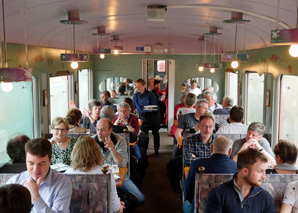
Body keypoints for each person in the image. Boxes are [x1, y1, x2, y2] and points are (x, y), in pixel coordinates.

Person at [7, 138, 72, 212]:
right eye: (31, 163)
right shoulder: (15, 181)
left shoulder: (63, 183)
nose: (35, 170)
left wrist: (35, 197)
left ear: (50, 161)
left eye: (41, 164)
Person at [64, 136, 124, 213]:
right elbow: (116, 209)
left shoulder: (67, 174)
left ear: (75, 153)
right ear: (97, 152)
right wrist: (120, 205)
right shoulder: (106, 173)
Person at [205, 148, 276, 212]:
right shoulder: (218, 194)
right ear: (245, 171)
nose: (264, 176)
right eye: (260, 171)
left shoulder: (265, 197)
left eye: (265, 171)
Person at [92, 119, 145, 206]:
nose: (99, 133)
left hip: (118, 176)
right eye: (97, 129)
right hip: (98, 177)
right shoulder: (91, 141)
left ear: (110, 130)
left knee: (140, 198)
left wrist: (112, 149)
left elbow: (122, 164)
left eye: (102, 130)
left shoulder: (120, 140)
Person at [183, 136, 238, 213]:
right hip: (228, 209)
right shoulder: (237, 168)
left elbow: (188, 192)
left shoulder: (196, 165)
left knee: (186, 203)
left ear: (211, 148)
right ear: (230, 152)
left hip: (200, 209)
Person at [133, 78, 161, 156]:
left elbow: (155, 106)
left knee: (155, 133)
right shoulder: (135, 96)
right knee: (144, 135)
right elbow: (133, 107)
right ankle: (144, 151)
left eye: (139, 86)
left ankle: (156, 150)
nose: (137, 88)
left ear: (144, 85)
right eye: (136, 86)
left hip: (153, 116)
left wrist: (149, 108)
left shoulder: (150, 95)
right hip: (142, 117)